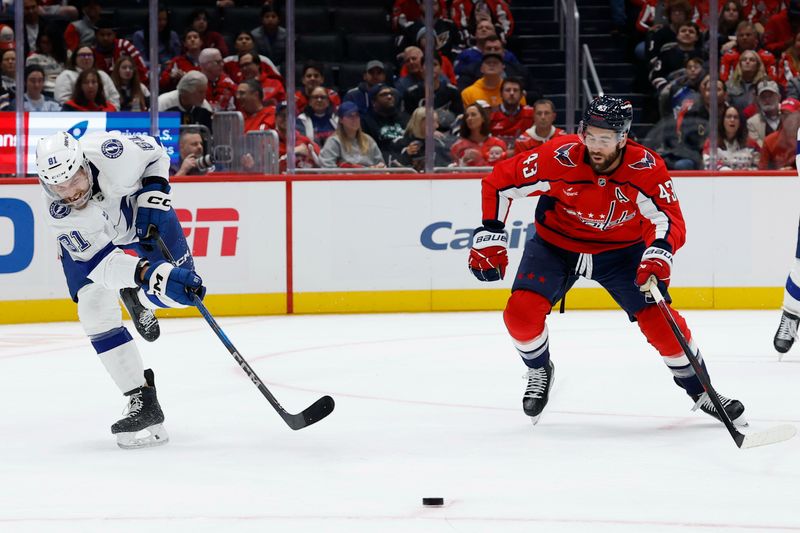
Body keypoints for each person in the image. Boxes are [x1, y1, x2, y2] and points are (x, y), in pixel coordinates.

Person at [467, 95, 746, 428]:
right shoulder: (559, 156)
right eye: (591, 135)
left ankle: (703, 392)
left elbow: (669, 219)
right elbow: (499, 182)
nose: (595, 146)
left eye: (606, 138)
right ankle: (539, 368)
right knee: (520, 314)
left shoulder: (645, 167)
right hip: (556, 246)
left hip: (621, 253)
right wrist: (491, 232)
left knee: (661, 322)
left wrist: (658, 253)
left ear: (623, 137)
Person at [35, 130, 206, 448]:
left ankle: (138, 298)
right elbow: (103, 265)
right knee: (94, 309)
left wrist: (154, 191)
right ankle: (142, 398)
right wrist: (146, 272)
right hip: (98, 243)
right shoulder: (59, 211)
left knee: (182, 294)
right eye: (57, 187)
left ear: (84, 165)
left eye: (73, 181)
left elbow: (156, 152)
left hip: (147, 218)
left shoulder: (112, 152)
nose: (69, 193)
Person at [319, 102, 385, 168]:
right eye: (349, 116)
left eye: (357, 115)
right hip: (346, 177)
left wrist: (379, 167)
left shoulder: (368, 140)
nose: (354, 119)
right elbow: (327, 167)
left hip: (370, 176)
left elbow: (380, 163)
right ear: (341, 120)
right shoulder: (334, 141)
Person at [54, 44, 120, 108]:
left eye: (89, 55)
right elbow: (62, 100)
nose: (86, 58)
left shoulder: (102, 74)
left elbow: (114, 97)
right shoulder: (66, 75)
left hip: (104, 114)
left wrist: (112, 113)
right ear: (75, 58)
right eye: (82, 55)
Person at [702, 105, 760, 169]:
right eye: (728, 117)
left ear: (740, 122)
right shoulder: (712, 143)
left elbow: (759, 166)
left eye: (736, 117)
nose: (732, 120)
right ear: (722, 121)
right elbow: (708, 163)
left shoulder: (751, 144)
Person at [489, 78, 533, 146]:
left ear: (521, 95)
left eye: (515, 90)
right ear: (501, 94)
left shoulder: (531, 114)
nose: (512, 93)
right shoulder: (490, 114)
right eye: (508, 90)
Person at [759, 98, 800, 169]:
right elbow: (762, 171)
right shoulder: (770, 141)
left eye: (789, 114)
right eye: (782, 114)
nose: (785, 117)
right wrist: (779, 173)